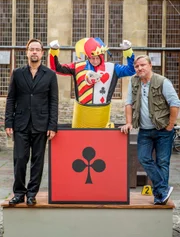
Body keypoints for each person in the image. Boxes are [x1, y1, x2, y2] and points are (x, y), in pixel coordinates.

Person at [5, 39, 58, 206]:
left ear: (42, 53)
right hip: (20, 123)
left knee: (37, 160)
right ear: (27, 52)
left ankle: (32, 193)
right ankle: (19, 192)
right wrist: (8, 122)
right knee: (20, 159)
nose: (34, 52)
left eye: (37, 49)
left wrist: (52, 125)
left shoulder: (50, 75)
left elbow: (53, 101)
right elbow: (11, 98)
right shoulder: (18, 73)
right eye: (31, 49)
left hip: (41, 124)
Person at [121, 55, 180, 205]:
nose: (139, 68)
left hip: (163, 130)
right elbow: (129, 103)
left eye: (142, 65)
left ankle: (160, 197)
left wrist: (170, 125)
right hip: (145, 130)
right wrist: (128, 122)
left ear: (150, 65)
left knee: (162, 162)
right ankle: (163, 189)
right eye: (136, 66)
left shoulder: (162, 82)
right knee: (144, 158)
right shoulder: (134, 81)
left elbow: (175, 103)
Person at [49, 37, 135, 128]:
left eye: (97, 58)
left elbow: (131, 70)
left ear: (102, 56)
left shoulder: (112, 68)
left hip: (101, 116)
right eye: (92, 58)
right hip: (81, 117)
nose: (95, 61)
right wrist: (53, 51)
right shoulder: (78, 67)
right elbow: (56, 68)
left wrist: (128, 51)